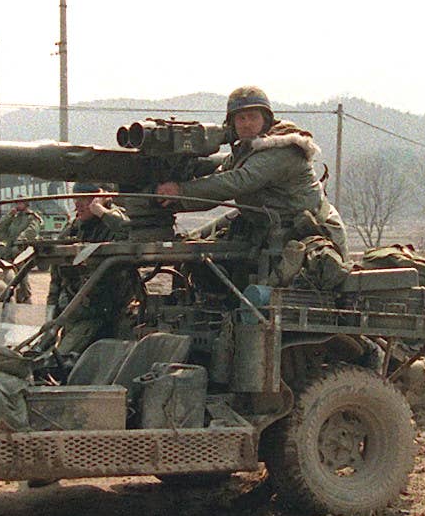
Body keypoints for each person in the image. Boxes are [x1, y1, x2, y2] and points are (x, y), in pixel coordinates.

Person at [155, 85, 347, 253]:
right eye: (241, 118)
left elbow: (236, 181)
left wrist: (181, 191)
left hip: (308, 234)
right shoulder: (248, 148)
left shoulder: (282, 149)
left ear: (266, 120)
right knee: (195, 242)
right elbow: (221, 173)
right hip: (267, 223)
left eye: (253, 117)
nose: (247, 124)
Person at [46, 182, 136, 372]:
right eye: (75, 199)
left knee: (56, 364)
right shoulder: (74, 229)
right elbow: (56, 275)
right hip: (72, 312)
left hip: (100, 313)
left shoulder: (114, 220)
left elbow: (132, 234)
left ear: (101, 198)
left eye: (85, 199)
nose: (77, 204)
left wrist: (100, 210)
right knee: (46, 356)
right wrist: (50, 316)